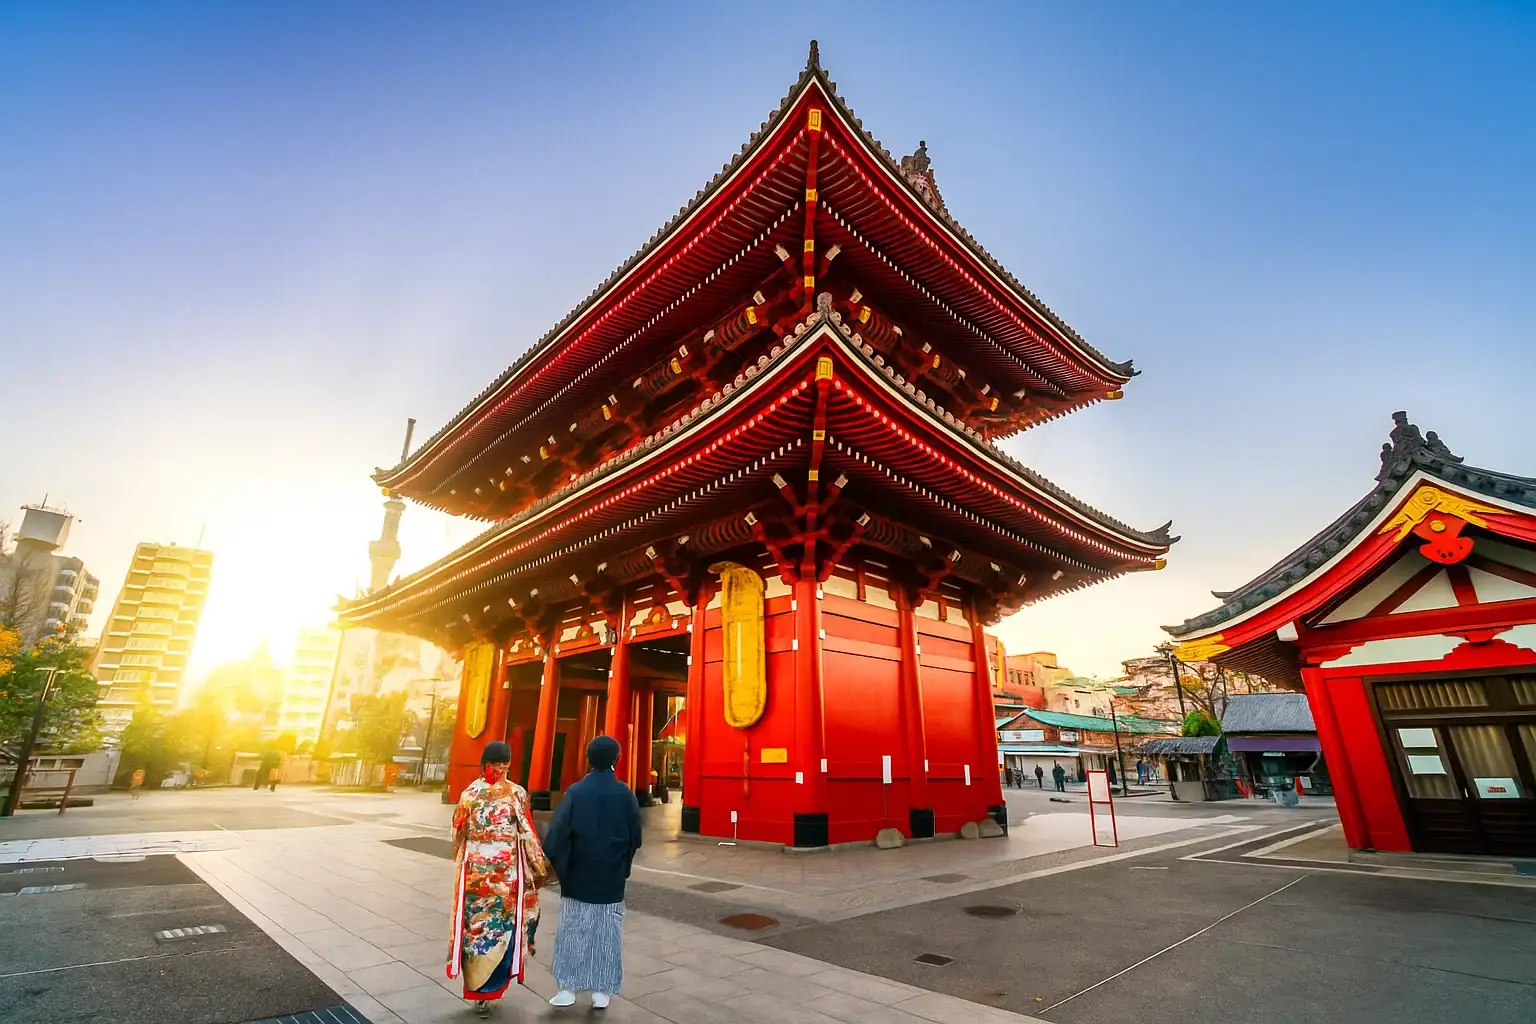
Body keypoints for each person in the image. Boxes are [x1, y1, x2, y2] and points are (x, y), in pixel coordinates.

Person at [448, 741, 552, 1019]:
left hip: (475, 875)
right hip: (507, 877)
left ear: (484, 763)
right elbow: (528, 832)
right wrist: (540, 866)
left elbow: (457, 832)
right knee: (502, 930)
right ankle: (492, 989)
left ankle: (478, 992)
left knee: (477, 931)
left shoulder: (470, 793)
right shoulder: (516, 793)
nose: (500, 768)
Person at [544, 735, 642, 1011]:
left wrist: (558, 865)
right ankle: (602, 990)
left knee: (573, 928)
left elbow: (557, 835)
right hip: (611, 875)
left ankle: (567, 987)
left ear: (589, 758)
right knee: (607, 931)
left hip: (577, 872)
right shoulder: (625, 794)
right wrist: (623, 865)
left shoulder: (575, 792)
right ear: (616, 759)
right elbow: (635, 836)